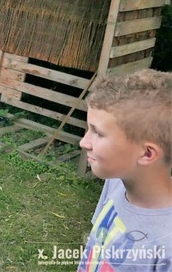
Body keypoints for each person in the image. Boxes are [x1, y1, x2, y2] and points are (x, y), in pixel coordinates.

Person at [77, 68, 171, 271]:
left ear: (147, 154)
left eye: (98, 133)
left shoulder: (167, 246)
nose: (83, 142)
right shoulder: (116, 183)